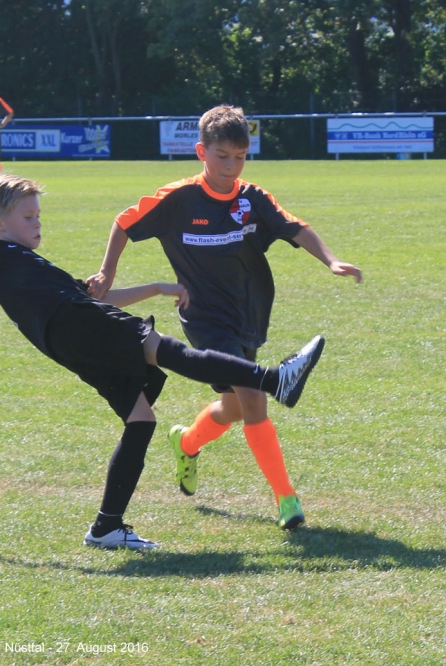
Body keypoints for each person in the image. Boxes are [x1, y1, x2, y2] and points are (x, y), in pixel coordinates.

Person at [0, 175, 326, 550]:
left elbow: (98, 297)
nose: (37, 222)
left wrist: (157, 288)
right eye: (28, 217)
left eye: (38, 214)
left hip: (72, 343)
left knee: (141, 420)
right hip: (76, 325)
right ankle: (274, 380)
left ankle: (106, 527)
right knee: (170, 351)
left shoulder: (35, 265)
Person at [87, 105, 362, 530]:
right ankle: (286, 498)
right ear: (202, 151)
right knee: (253, 396)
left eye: (240, 156)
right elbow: (124, 223)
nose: (231, 166)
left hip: (248, 312)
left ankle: (187, 441)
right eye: (222, 156)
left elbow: (295, 227)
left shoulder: (252, 198)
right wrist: (107, 272)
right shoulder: (177, 199)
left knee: (233, 407)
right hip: (204, 319)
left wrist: (331, 260)